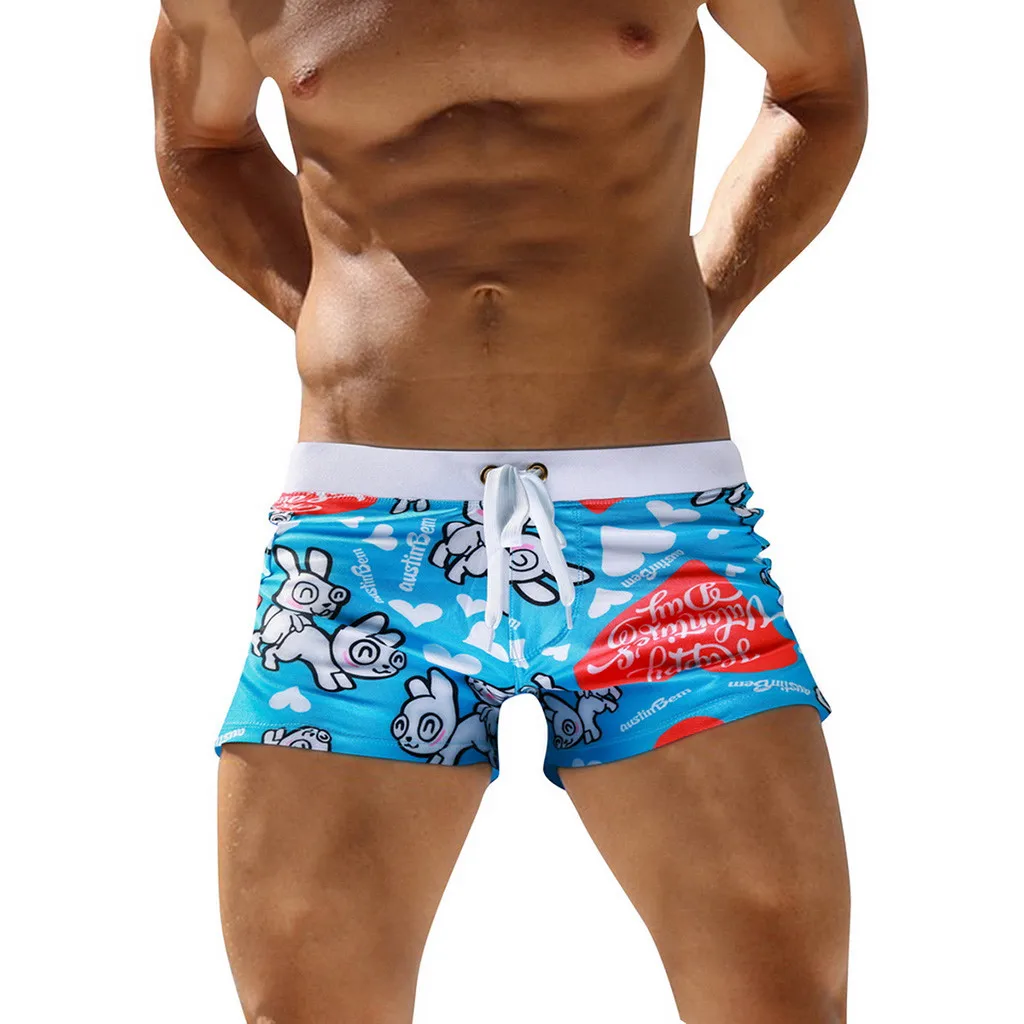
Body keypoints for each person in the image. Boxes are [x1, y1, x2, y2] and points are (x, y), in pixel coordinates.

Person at [151, 1, 866, 1020]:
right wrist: (345, 317)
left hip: (653, 530)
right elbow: (201, 140)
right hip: (366, 543)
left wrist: (705, 297)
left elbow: (820, 87)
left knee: (779, 1003)